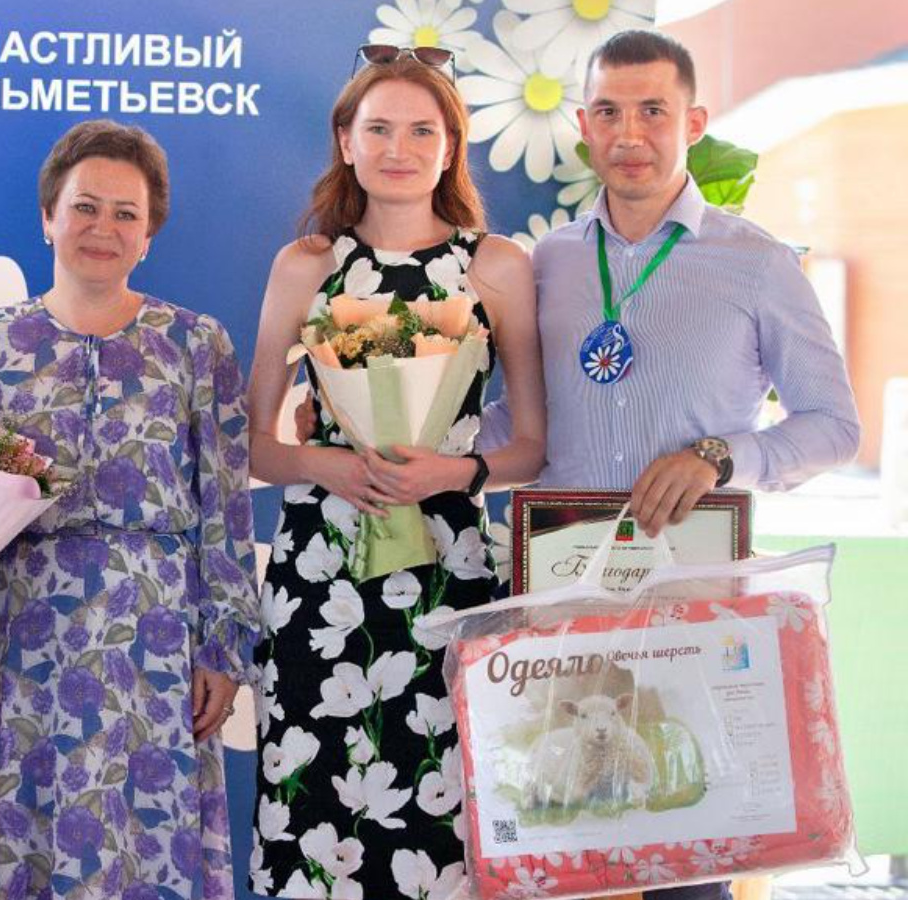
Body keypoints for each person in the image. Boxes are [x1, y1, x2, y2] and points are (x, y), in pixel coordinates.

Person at [479, 29, 860, 900]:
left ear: (693, 122)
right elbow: (518, 422)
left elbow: (835, 427)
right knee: (551, 855)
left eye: (652, 110)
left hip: (692, 613)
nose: (630, 134)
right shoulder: (548, 264)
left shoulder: (758, 264)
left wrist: (722, 459)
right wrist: (403, 439)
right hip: (561, 615)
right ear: (583, 126)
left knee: (685, 857)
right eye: (609, 112)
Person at [245, 49, 547, 897]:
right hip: (320, 570)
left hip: (449, 568)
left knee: (441, 809)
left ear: (451, 148)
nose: (398, 148)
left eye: (422, 131)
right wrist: (329, 467)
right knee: (314, 806)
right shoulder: (305, 264)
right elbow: (255, 446)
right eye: (378, 129)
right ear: (346, 141)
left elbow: (530, 448)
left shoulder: (496, 265)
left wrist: (453, 471)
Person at [0, 119, 260, 900]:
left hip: (157, 640)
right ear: (47, 217)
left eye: (127, 213)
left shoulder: (197, 344)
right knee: (29, 838)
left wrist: (223, 647)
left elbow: (226, 507)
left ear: (149, 235)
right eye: (84, 207)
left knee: (146, 847)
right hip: (27, 636)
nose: (103, 228)